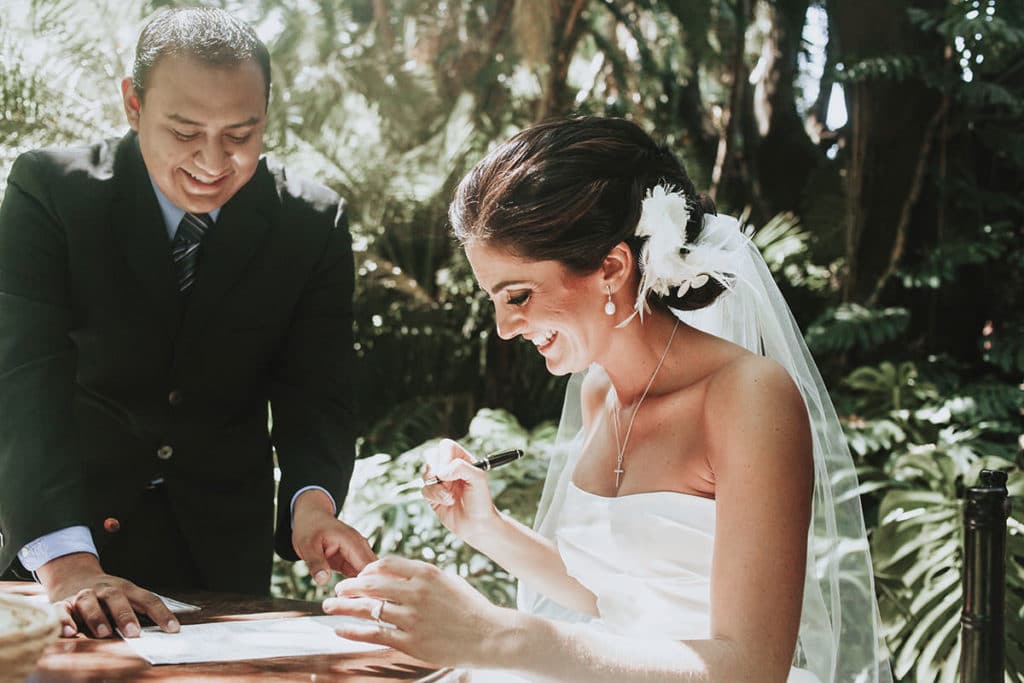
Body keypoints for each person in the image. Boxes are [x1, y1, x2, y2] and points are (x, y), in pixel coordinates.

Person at [321, 117, 893, 682]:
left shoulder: (748, 397)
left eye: (517, 294)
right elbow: (616, 595)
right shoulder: (599, 393)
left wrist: (501, 636)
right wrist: (485, 525)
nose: (502, 327)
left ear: (612, 269)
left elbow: (751, 667)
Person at [0, 7, 374, 640]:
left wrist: (313, 506)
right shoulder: (49, 195)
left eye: (241, 134)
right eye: (184, 131)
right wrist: (68, 568)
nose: (213, 161)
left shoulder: (311, 224)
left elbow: (317, 392)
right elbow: (21, 379)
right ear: (133, 104)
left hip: (220, 559)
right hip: (60, 544)